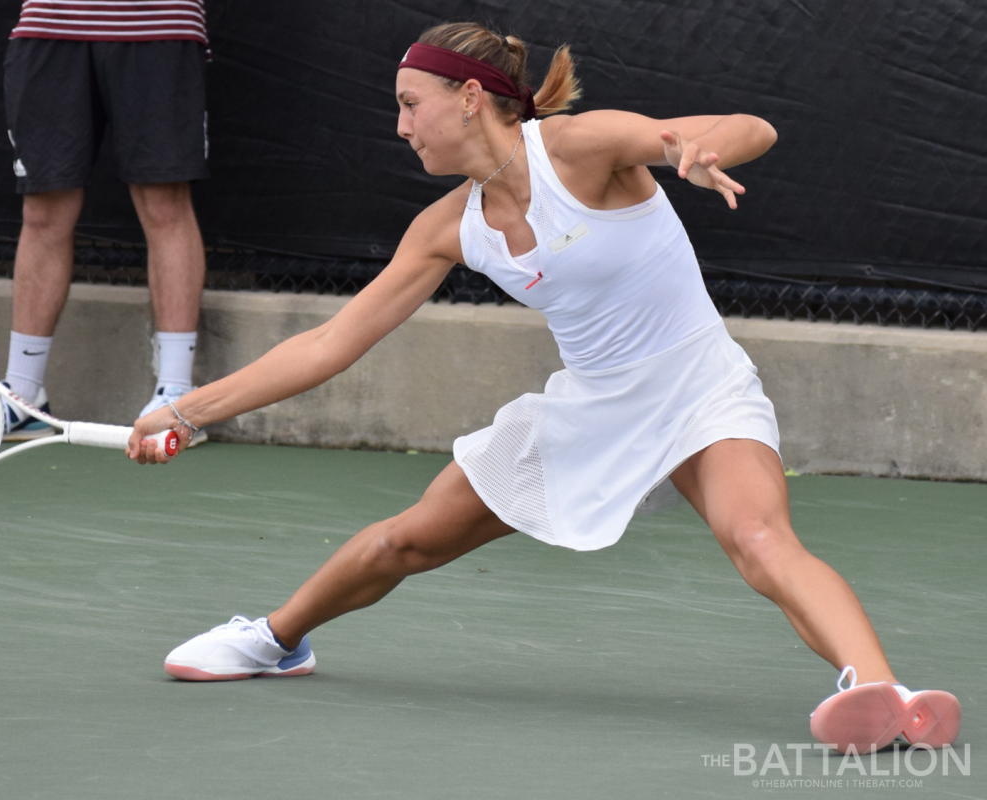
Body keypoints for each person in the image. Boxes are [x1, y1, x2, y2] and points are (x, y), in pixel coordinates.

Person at [126, 22, 961, 754]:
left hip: (698, 385)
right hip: (588, 410)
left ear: (469, 98)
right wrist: (187, 411)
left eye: (412, 103)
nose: (400, 124)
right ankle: (277, 638)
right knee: (407, 541)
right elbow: (331, 342)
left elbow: (752, 126)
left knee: (760, 541)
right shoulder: (448, 226)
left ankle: (878, 694)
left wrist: (696, 152)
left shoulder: (578, 147)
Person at [0, 0, 211, 445]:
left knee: (164, 204)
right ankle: (22, 398)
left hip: (157, 20)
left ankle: (177, 400)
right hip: (49, 24)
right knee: (43, 212)